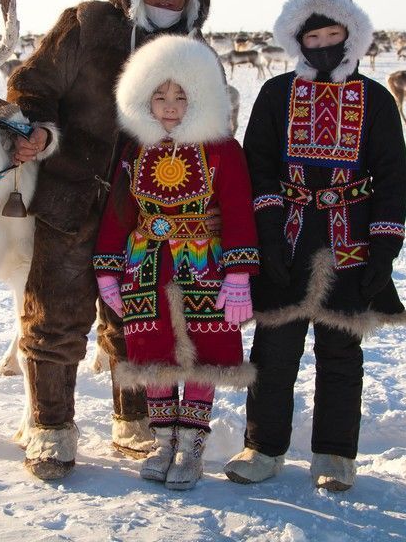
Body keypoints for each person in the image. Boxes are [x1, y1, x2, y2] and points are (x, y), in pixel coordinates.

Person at [6, 0, 212, 480]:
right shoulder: (88, 24)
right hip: (73, 193)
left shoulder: (194, 53)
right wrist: (41, 130)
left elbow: (211, 124)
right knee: (56, 312)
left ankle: (135, 419)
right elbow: (32, 83)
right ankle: (50, 428)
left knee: (137, 313)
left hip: (151, 209)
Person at [224, 0, 406, 492]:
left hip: (351, 237)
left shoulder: (373, 98)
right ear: (297, 40)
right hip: (287, 234)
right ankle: (262, 447)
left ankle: (334, 454)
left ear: (351, 37)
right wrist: (266, 230)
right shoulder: (276, 93)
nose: (324, 43)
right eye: (314, 35)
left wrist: (385, 248)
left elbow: (393, 175)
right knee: (273, 351)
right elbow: (257, 163)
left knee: (341, 354)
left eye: (334, 33)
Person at [94, 35, 260, 490]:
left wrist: (240, 274)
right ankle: (163, 439)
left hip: (205, 266)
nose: (169, 106)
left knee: (204, 356)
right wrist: (108, 270)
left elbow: (240, 209)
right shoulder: (135, 151)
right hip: (145, 267)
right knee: (153, 354)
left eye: (181, 96)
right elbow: (118, 213)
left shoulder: (223, 150)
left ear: (201, 97)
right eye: (160, 96)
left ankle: (192, 444)